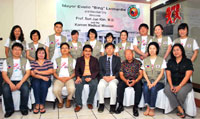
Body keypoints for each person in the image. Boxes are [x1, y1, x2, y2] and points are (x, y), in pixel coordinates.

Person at [164, 43, 194, 118]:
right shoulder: (170, 61)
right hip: (172, 82)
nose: (176, 52)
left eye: (177, 50)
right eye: (174, 50)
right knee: (166, 90)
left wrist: (179, 86)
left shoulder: (187, 61)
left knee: (180, 93)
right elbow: (168, 75)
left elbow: (188, 76)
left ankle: (179, 108)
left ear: (182, 51)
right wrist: (171, 86)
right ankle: (179, 108)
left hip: (185, 84)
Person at [2, 43, 31, 117]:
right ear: (12, 50)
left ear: (21, 51)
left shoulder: (25, 60)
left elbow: (28, 73)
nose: (17, 51)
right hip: (9, 80)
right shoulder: (7, 61)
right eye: (15, 49)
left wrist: (20, 83)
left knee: (25, 89)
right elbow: (4, 74)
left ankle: (24, 108)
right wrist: (11, 84)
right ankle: (9, 110)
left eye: (19, 50)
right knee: (5, 89)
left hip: (22, 80)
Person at [115, 49, 143, 117]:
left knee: (139, 87)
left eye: (129, 54)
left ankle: (135, 106)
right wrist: (125, 81)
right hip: (125, 79)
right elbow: (121, 74)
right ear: (124, 55)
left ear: (133, 54)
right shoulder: (123, 63)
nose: (128, 56)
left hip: (136, 80)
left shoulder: (138, 62)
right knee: (120, 87)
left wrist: (135, 81)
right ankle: (120, 105)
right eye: (126, 54)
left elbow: (141, 74)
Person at [142, 42, 166, 116]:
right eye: (150, 48)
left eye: (154, 48)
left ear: (157, 49)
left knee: (153, 88)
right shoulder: (145, 60)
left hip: (159, 82)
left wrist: (154, 83)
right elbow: (144, 72)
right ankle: (148, 107)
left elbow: (162, 73)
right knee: (145, 87)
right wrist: (149, 82)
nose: (152, 50)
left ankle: (152, 108)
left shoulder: (162, 60)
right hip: (147, 80)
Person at [74, 44, 99, 112]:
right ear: (83, 52)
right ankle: (79, 104)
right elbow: (76, 70)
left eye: (89, 51)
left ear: (91, 52)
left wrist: (91, 77)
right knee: (78, 85)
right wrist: (78, 77)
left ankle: (90, 102)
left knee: (94, 85)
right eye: (86, 51)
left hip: (92, 76)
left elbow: (97, 70)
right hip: (82, 76)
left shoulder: (95, 60)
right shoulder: (79, 60)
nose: (88, 52)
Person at [97, 43, 121, 113]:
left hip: (113, 77)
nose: (109, 50)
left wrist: (113, 77)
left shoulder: (117, 59)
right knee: (100, 85)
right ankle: (101, 104)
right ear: (105, 50)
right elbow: (100, 70)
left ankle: (112, 105)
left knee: (112, 85)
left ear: (113, 49)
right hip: (104, 77)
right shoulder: (101, 58)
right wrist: (104, 77)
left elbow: (119, 70)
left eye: (111, 48)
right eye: (107, 48)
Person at [30, 47, 53, 114]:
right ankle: (37, 104)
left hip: (46, 80)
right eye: (39, 53)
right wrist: (42, 77)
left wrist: (38, 72)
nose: (41, 54)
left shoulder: (48, 62)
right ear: (36, 54)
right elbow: (32, 73)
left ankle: (42, 104)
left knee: (44, 85)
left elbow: (50, 71)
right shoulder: (33, 62)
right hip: (36, 79)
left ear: (45, 54)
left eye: (43, 53)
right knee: (36, 84)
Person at [53, 43, 76, 108]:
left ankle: (69, 99)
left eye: (66, 48)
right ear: (60, 50)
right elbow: (54, 72)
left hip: (69, 78)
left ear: (69, 49)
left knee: (72, 88)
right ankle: (60, 101)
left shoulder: (73, 60)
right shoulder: (56, 60)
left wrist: (69, 78)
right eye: (63, 48)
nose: (64, 49)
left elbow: (75, 72)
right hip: (59, 78)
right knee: (55, 89)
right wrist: (59, 78)